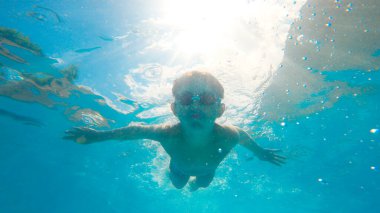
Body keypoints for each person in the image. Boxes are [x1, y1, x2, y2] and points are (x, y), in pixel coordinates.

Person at [64, 71, 286, 191]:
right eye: (187, 98)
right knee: (178, 185)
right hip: (178, 169)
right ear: (175, 108)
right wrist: (98, 135)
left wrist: (262, 153)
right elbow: (134, 130)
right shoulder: (167, 133)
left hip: (207, 172)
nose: (196, 106)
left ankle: (195, 186)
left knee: (200, 185)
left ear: (220, 109)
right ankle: (174, 176)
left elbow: (246, 139)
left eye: (207, 99)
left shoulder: (230, 134)